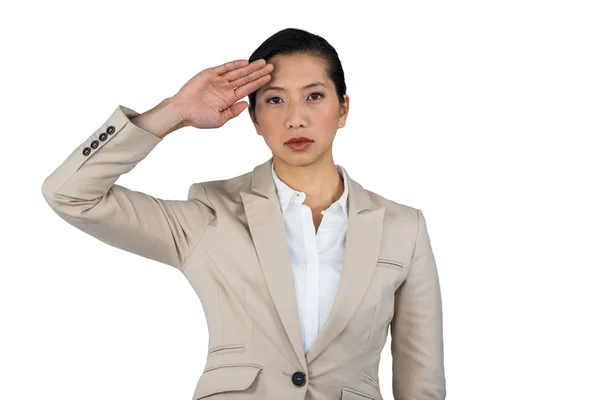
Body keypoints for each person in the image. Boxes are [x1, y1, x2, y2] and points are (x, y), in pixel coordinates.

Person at [41, 27, 446, 400]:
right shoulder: (210, 214)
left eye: (315, 96)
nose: (295, 118)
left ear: (343, 109)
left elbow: (421, 383)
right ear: (254, 118)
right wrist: (174, 113)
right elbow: (70, 194)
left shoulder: (403, 228)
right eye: (274, 100)